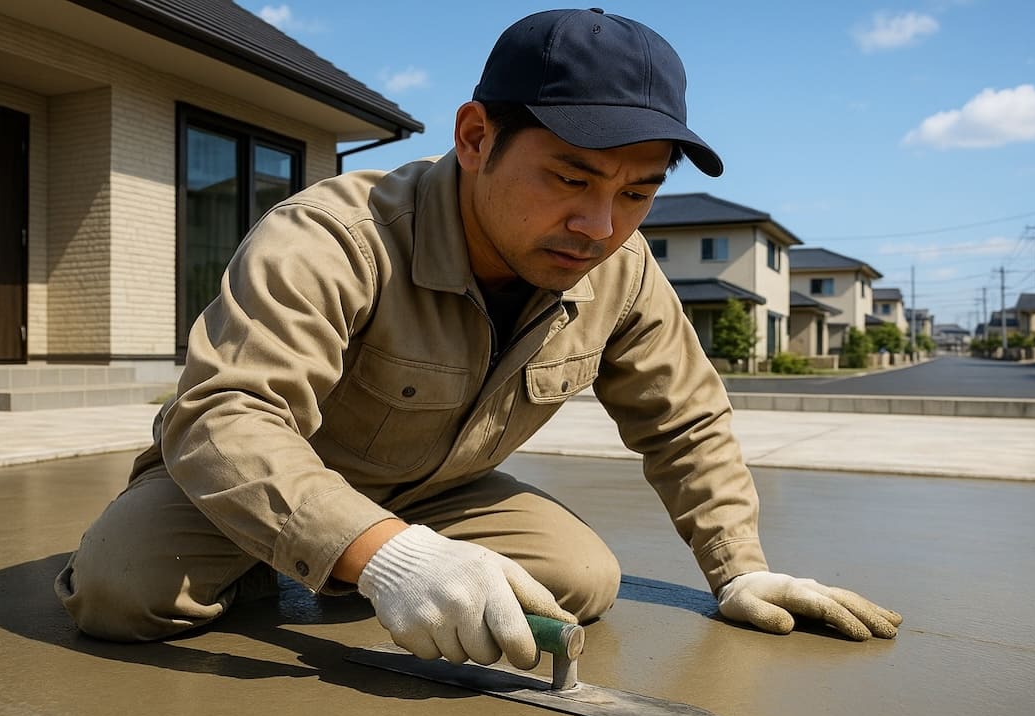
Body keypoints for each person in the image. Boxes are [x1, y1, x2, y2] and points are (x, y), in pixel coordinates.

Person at [55, 8, 901, 670]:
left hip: (433, 491)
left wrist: (739, 568)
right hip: (262, 465)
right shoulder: (335, 235)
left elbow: (686, 422)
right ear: (474, 138)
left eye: (637, 193)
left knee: (582, 579)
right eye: (570, 177)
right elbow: (227, 417)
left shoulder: (622, 266)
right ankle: (313, 546)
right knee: (122, 594)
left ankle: (347, 549)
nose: (599, 225)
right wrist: (388, 559)